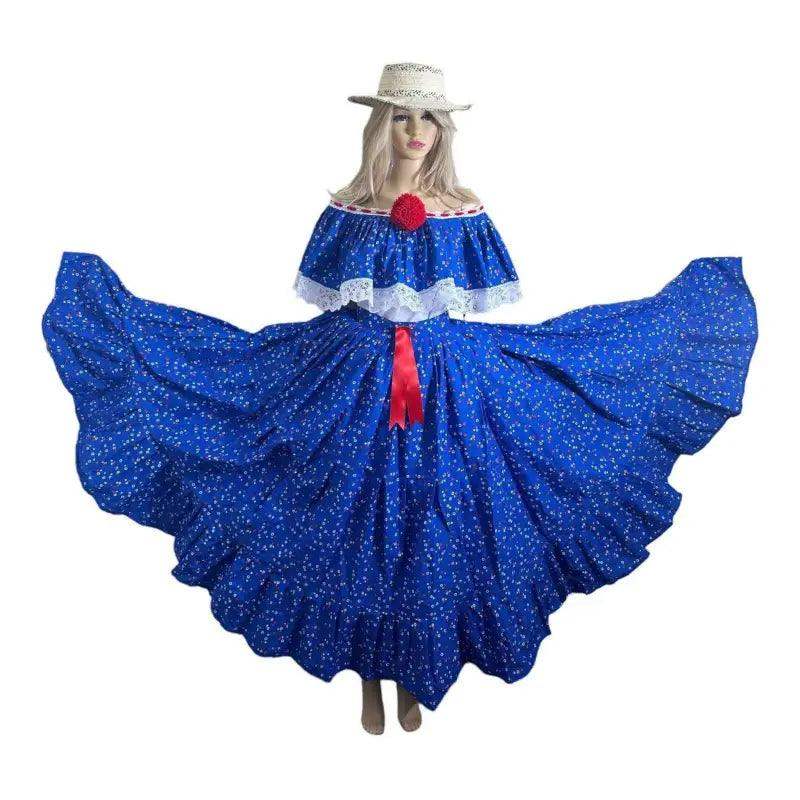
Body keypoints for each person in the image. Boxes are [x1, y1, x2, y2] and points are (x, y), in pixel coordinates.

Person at [42, 62, 758, 735]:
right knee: (352, 517)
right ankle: (367, 673)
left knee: (435, 517)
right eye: (402, 117)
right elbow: (330, 293)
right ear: (379, 125)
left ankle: (416, 669)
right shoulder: (349, 208)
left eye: (428, 119)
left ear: (444, 130)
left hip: (450, 382)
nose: (416, 131)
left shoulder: (462, 210)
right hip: (349, 379)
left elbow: (475, 297)